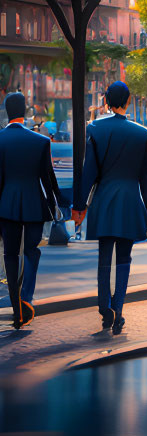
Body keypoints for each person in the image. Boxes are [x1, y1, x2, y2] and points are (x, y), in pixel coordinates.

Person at [73, 81, 147, 336]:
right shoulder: (143, 134)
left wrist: (80, 206)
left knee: (104, 258)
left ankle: (104, 309)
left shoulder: (95, 129)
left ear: (106, 101)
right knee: (125, 260)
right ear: (128, 101)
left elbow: (89, 172)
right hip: (131, 202)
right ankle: (119, 310)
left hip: (104, 200)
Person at [0, 92, 61, 329]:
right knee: (32, 251)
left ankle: (17, 310)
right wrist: (58, 203)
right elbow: (48, 180)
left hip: (6, 205)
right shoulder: (40, 141)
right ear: (25, 111)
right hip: (34, 204)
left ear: (7, 111)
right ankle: (27, 297)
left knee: (10, 255)